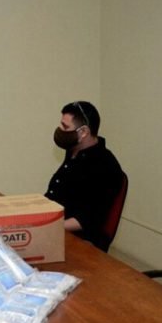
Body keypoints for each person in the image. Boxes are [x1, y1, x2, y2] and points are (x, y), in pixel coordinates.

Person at [45, 101, 124, 251]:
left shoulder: (105, 166)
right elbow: (56, 193)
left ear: (83, 132)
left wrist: (46, 227)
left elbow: (87, 219)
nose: (60, 130)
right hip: (57, 227)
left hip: (82, 240)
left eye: (65, 127)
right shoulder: (74, 150)